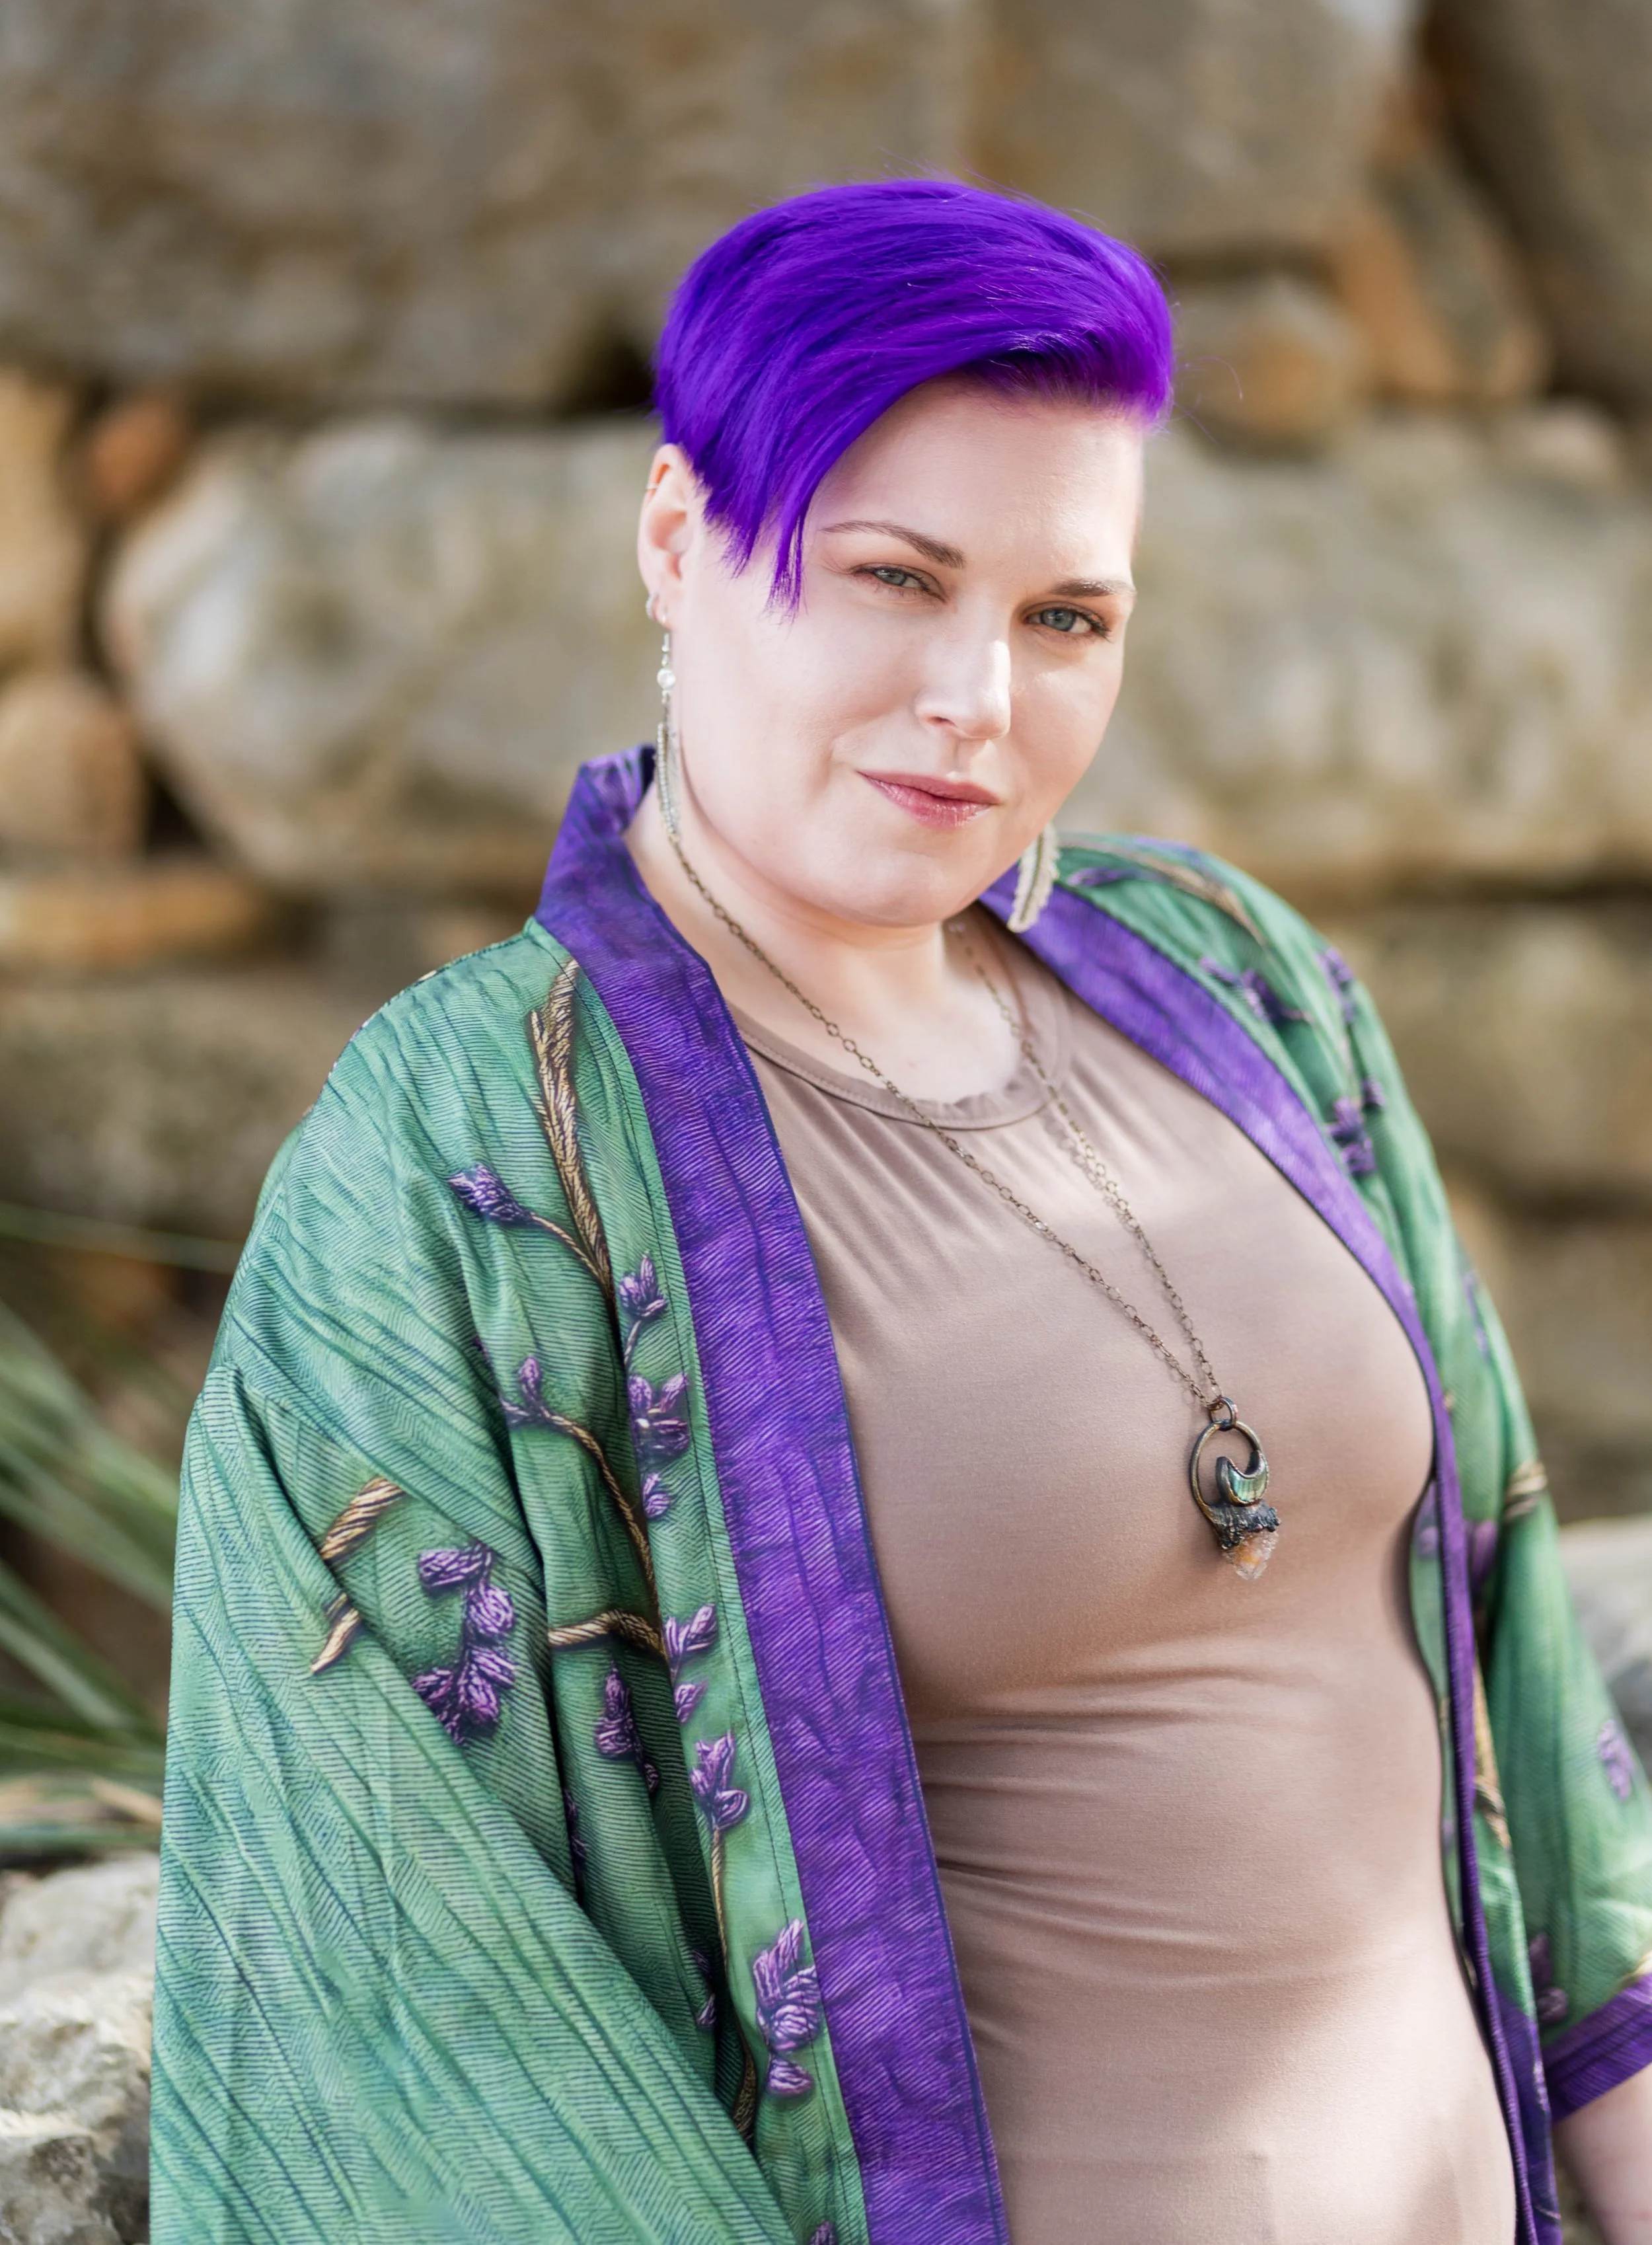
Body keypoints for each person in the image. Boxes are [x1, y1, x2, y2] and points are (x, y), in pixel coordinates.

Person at [152, 180, 1652, 2245]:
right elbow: (409, 1957)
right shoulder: (468, 1151)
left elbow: (1502, 1627)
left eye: (1065, 616)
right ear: (682, 544)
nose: (979, 697)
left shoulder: (1236, 978)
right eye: (892, 576)